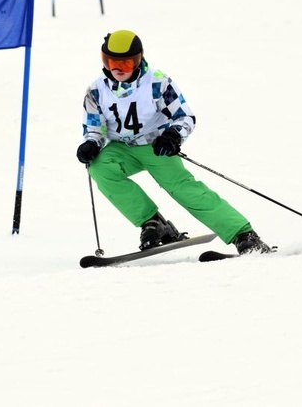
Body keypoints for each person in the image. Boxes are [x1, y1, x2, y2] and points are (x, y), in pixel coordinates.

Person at [76, 29, 271, 255]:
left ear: (138, 60)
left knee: (182, 188)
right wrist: (91, 143)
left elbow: (185, 116)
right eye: (111, 62)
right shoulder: (96, 91)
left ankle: (243, 235)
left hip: (156, 146)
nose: (118, 69)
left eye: (126, 64)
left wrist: (173, 135)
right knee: (100, 168)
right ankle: (153, 224)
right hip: (122, 149)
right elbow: (94, 128)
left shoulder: (157, 82)